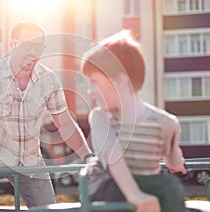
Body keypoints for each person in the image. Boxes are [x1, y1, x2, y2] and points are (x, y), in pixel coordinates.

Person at [0, 20, 94, 210]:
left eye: (38, 47)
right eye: (27, 45)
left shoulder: (48, 80)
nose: (33, 53)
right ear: (12, 44)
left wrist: (87, 156)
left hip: (28, 157)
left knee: (48, 208)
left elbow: (65, 123)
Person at [80, 30, 189, 212]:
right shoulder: (101, 118)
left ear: (120, 81)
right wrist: (134, 194)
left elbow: (172, 157)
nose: (89, 92)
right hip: (109, 181)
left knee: (170, 187)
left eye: (94, 82)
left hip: (146, 179)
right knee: (116, 193)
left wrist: (177, 164)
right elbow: (113, 156)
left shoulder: (166, 123)